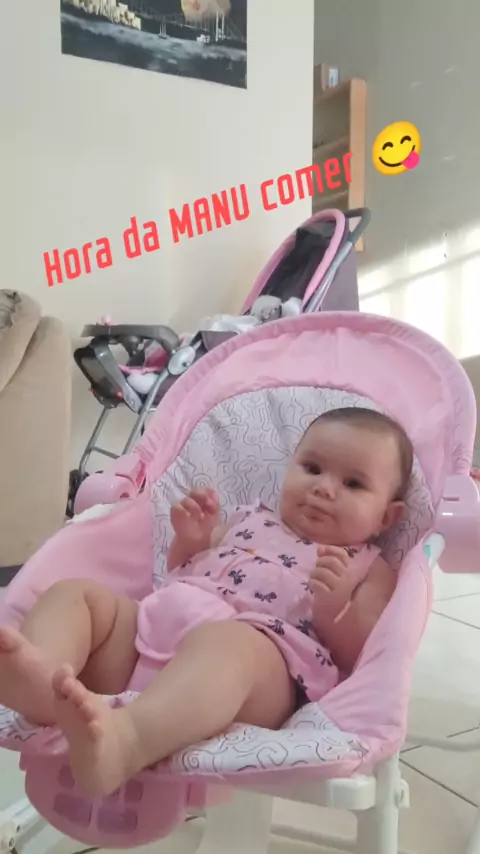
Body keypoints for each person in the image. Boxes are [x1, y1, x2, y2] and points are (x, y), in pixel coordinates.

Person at [0, 407, 413, 797]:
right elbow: (187, 569)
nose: (323, 488)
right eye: (312, 468)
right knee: (75, 594)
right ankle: (42, 684)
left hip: (252, 676)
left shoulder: (368, 566)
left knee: (229, 643)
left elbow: (363, 654)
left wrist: (333, 610)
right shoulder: (249, 517)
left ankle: (127, 741)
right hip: (149, 639)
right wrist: (192, 539)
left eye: (353, 484)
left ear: (387, 517)